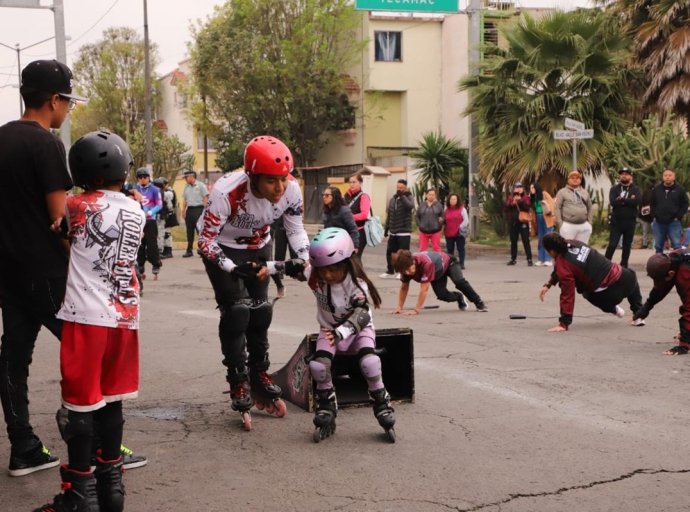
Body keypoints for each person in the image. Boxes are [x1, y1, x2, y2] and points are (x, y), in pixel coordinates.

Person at [34, 130, 144, 512]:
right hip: (125, 321)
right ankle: (111, 492)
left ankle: (80, 495)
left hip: (86, 319)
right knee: (112, 403)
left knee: (80, 408)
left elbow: (59, 224)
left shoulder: (77, 205)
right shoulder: (136, 209)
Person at [0, 59, 84, 477]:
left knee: (14, 360)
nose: (68, 109)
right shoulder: (46, 144)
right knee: (85, 352)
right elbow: (61, 223)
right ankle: (98, 447)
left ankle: (24, 448)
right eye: (68, 101)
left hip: (8, 273)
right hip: (47, 272)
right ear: (54, 100)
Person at [197, 135, 310, 430]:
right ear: (253, 176)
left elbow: (295, 229)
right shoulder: (226, 192)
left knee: (261, 311)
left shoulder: (292, 190)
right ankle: (238, 381)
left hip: (259, 246)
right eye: (271, 181)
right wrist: (233, 269)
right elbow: (205, 241)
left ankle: (259, 374)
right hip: (223, 247)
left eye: (283, 179)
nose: (280, 188)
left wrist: (306, 258)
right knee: (237, 312)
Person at [306, 227, 396, 442]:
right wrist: (263, 268)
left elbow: (362, 315)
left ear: (347, 262)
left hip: (358, 331)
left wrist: (341, 333)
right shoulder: (315, 275)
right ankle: (327, 406)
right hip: (329, 331)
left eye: (333, 269)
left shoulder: (357, 285)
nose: (327, 275)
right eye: (322, 269)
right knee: (318, 366)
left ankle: (382, 403)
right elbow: (290, 266)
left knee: (370, 363)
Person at [538, 233, 644, 332]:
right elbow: (562, 270)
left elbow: (567, 294)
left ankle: (613, 309)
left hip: (610, 295)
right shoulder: (575, 243)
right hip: (627, 279)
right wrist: (549, 284)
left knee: (587, 293)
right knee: (629, 274)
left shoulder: (562, 264)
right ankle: (639, 315)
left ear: (551, 251)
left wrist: (563, 323)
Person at [391, 249, 488, 314]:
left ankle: (479, 302)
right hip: (437, 273)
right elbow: (404, 287)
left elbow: (424, 289)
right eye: (405, 271)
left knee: (459, 282)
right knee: (441, 295)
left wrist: (416, 310)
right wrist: (399, 307)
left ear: (413, 261)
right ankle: (459, 297)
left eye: (410, 267)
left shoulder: (426, 263)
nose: (409, 272)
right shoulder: (404, 269)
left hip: (450, 263)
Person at [634, 251, 690, 355]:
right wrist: (646, 308)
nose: (656, 283)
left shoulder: (685, 274)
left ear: (671, 273)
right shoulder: (672, 260)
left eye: (659, 279)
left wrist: (684, 344)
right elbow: (661, 289)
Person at [604, 167, 641, 268]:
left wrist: (622, 200)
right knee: (612, 244)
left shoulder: (635, 189)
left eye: (626, 174)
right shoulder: (614, 189)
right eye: (622, 174)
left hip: (630, 222)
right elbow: (613, 202)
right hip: (617, 222)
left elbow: (636, 202)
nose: (624, 175)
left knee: (627, 246)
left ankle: (624, 264)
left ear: (630, 176)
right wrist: (628, 200)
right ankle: (605, 264)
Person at [381, 179, 415, 278]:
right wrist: (387, 228)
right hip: (393, 231)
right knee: (390, 252)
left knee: (404, 254)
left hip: (404, 232)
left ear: (405, 188)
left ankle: (403, 272)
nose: (399, 189)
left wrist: (402, 196)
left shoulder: (408, 197)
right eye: (398, 187)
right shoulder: (393, 199)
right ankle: (390, 270)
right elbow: (390, 215)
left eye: (401, 188)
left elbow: (410, 206)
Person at [650, 168, 687, 254]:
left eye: (670, 175)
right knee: (658, 246)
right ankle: (659, 265)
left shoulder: (680, 189)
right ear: (662, 177)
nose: (667, 177)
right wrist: (654, 216)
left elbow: (685, 204)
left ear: (674, 177)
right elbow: (652, 203)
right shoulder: (656, 189)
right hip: (658, 222)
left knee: (676, 245)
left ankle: (677, 265)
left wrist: (678, 216)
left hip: (673, 222)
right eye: (665, 175)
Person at [134, 168, 163, 280]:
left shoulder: (155, 190)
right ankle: (140, 267)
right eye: (140, 177)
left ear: (148, 177)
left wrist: (149, 213)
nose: (142, 179)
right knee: (140, 245)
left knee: (151, 244)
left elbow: (159, 204)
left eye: (144, 177)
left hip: (150, 220)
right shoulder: (135, 189)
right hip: (139, 221)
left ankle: (156, 264)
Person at [554, 170, 593, 243]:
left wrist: (590, 223)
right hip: (568, 225)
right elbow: (557, 208)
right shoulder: (562, 192)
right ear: (568, 180)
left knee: (582, 249)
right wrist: (560, 224)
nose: (575, 179)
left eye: (577, 178)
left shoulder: (584, 192)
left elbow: (590, 207)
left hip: (584, 225)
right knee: (568, 248)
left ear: (580, 180)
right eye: (572, 177)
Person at [181, 169, 209, 257]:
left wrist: (206, 211)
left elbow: (205, 198)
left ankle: (202, 249)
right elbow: (185, 200)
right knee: (189, 231)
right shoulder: (186, 187)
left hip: (199, 209)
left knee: (200, 230)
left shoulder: (201, 186)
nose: (185, 179)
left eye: (186, 177)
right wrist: (183, 211)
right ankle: (189, 250)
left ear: (191, 177)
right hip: (190, 210)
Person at [504, 182, 533, 266]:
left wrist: (519, 201)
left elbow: (527, 207)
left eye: (520, 187)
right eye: (517, 187)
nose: (519, 188)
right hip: (513, 223)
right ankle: (513, 259)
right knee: (513, 241)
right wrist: (512, 203)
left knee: (526, 240)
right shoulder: (510, 198)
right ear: (513, 189)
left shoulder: (525, 197)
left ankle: (529, 259)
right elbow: (505, 208)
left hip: (523, 222)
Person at [343, 173, 371, 257]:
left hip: (359, 232)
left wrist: (349, 217)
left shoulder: (364, 196)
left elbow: (364, 215)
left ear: (360, 183)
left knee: (355, 258)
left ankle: (358, 271)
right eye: (350, 182)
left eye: (354, 182)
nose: (351, 184)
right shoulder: (346, 196)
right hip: (346, 232)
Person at [530, 183, 555, 266]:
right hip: (538, 216)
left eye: (533, 187)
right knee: (541, 238)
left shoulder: (544, 193)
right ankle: (541, 259)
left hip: (546, 217)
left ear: (536, 187)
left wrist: (545, 203)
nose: (531, 189)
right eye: (530, 188)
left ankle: (548, 259)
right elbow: (532, 209)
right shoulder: (533, 197)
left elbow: (552, 203)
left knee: (548, 237)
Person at [153, 176, 176, 259]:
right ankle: (164, 250)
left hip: (167, 215)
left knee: (166, 233)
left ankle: (167, 250)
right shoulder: (164, 192)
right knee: (163, 233)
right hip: (163, 214)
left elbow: (171, 205)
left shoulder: (169, 193)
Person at [443, 193, 468, 269]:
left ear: (457, 200)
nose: (452, 201)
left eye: (454, 199)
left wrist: (460, 227)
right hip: (448, 232)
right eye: (451, 199)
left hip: (459, 232)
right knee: (450, 249)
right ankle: (451, 263)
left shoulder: (462, 209)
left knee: (461, 248)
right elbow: (443, 220)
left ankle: (461, 263)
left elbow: (466, 221)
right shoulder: (446, 210)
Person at [637, 184, 653, 249]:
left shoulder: (645, 192)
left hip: (647, 216)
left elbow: (641, 203)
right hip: (647, 216)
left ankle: (645, 244)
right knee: (647, 231)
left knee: (645, 231)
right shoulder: (647, 193)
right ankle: (646, 244)